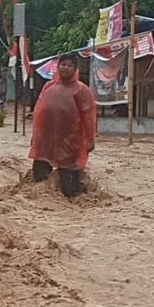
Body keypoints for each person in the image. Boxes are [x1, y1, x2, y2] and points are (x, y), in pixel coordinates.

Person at [28, 53, 97, 198]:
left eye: (69, 65)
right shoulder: (49, 86)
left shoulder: (82, 90)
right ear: (58, 66)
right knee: (38, 184)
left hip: (69, 141)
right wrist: (35, 136)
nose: (65, 68)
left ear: (75, 69)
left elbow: (89, 116)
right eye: (63, 64)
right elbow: (38, 112)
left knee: (70, 188)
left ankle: (73, 200)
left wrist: (90, 140)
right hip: (45, 140)